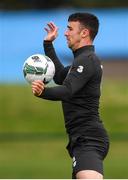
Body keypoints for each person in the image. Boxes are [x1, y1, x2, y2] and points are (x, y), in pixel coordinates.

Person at [31, 12, 109, 179]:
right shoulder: (82, 61)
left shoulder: (88, 59)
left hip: (89, 139)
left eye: (69, 28)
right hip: (81, 138)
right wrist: (48, 44)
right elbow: (60, 76)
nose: (65, 33)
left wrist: (43, 91)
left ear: (84, 33)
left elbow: (67, 90)